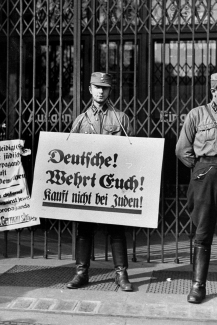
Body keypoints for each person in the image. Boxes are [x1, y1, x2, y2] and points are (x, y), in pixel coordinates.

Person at [176, 71, 217, 305]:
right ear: (214, 91)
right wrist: (202, 168)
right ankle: (197, 286)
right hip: (205, 175)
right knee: (202, 234)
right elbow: (182, 150)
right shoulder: (196, 115)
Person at [67, 72, 133, 291]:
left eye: (104, 88)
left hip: (113, 185)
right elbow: (70, 155)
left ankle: (121, 275)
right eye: (97, 87)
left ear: (109, 90)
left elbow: (131, 152)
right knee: (84, 229)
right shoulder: (80, 120)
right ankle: (81, 273)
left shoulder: (121, 119)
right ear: (90, 89)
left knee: (116, 229)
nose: (101, 91)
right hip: (87, 185)